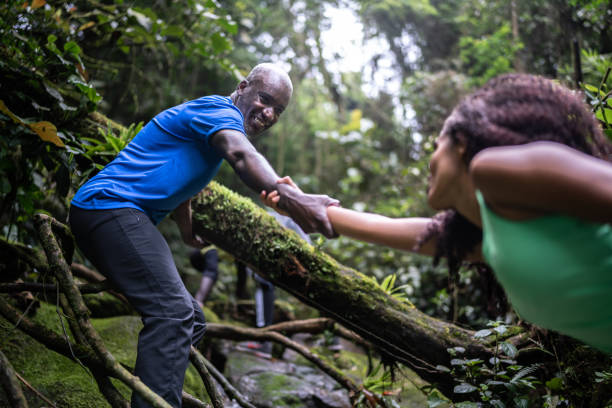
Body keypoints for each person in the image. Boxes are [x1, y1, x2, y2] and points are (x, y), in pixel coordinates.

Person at [263, 73, 612, 354]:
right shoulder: (488, 239)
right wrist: (300, 202)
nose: (429, 161)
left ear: (461, 142)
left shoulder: (492, 169)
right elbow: (392, 228)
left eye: (435, 147)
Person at [68, 63, 338, 407]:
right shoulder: (218, 112)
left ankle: (157, 391)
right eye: (265, 99)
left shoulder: (216, 125)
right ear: (243, 87)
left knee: (193, 320)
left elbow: (186, 184)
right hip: (106, 207)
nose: (269, 113)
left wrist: (186, 230)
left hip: (118, 216)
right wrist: (292, 196)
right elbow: (243, 155)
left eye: (278, 110)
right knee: (174, 312)